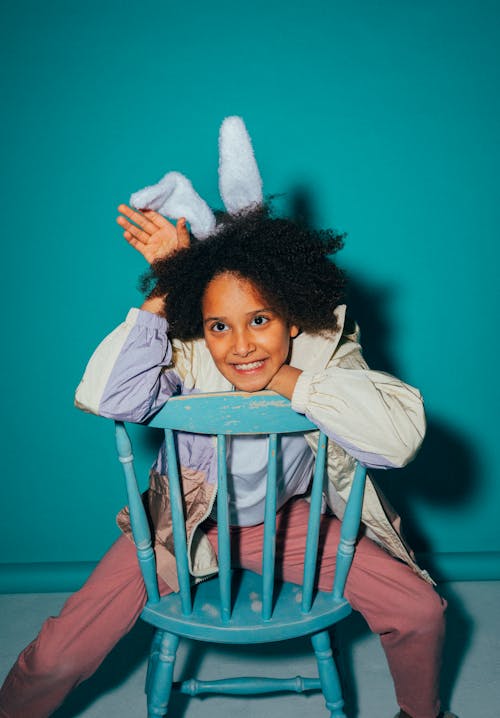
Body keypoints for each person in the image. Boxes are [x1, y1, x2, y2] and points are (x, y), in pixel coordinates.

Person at [0, 204, 455, 718]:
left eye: (259, 320)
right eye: (219, 325)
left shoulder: (327, 359)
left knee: (419, 610)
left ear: (294, 321)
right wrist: (167, 287)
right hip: (187, 523)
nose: (240, 346)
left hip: (286, 526)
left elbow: (396, 439)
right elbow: (110, 397)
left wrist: (285, 381)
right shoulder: (189, 353)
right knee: (60, 652)